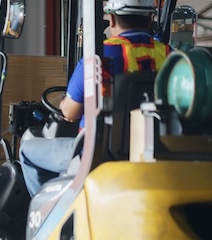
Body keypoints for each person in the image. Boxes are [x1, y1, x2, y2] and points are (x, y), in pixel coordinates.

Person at [19, 0, 170, 196]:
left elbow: (69, 113)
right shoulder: (169, 56)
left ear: (112, 19)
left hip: (97, 152)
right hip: (154, 151)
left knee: (27, 150)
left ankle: (48, 221)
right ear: (150, 19)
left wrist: (65, 102)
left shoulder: (100, 56)